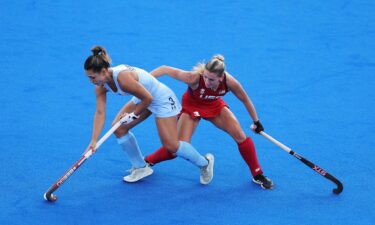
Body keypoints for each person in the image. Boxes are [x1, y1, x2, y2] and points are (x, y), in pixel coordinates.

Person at [82, 46, 214, 184]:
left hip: (161, 99)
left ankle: (205, 163)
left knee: (171, 146)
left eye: (92, 77)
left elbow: (148, 99)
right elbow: (100, 112)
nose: (91, 81)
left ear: (103, 71)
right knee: (118, 128)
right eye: (89, 78)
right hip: (142, 97)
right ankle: (141, 167)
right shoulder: (100, 87)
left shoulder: (123, 78)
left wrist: (132, 115)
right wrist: (94, 140)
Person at [144, 55, 274, 189]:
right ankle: (148, 161)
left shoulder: (231, 83)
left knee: (240, 136)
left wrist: (256, 121)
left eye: (211, 79)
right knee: (178, 148)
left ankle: (258, 174)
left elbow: (245, 100)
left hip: (214, 105)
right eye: (205, 77)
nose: (206, 81)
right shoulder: (193, 78)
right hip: (191, 106)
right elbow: (164, 69)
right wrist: (144, 81)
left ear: (221, 77)